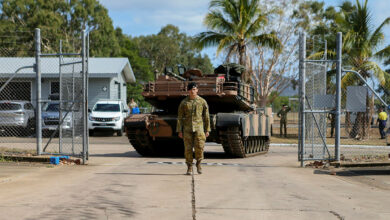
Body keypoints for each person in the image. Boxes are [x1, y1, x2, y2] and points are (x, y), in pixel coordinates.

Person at [177, 82, 210, 175]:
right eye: (191, 89)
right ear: (188, 91)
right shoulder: (184, 102)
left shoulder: (202, 101)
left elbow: (206, 116)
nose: (193, 91)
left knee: (199, 147)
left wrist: (207, 129)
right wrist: (179, 130)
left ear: (197, 90)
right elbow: (180, 117)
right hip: (187, 129)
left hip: (199, 129)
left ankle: (199, 164)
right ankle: (189, 167)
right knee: (188, 149)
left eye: (194, 89)